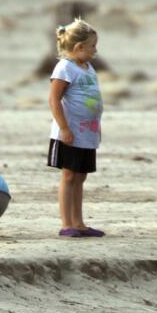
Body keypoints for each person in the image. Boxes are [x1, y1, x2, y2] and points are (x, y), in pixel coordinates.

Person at [47, 19, 104, 238]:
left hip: (87, 133)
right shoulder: (65, 67)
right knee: (69, 176)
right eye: (92, 46)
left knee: (81, 177)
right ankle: (66, 223)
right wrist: (64, 128)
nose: (95, 51)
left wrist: (96, 128)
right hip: (70, 133)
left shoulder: (88, 68)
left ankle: (79, 223)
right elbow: (54, 99)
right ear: (79, 47)